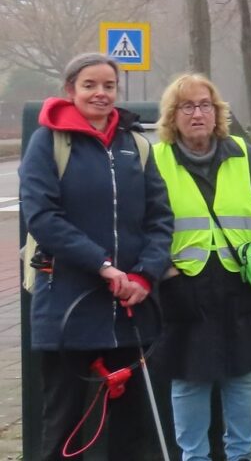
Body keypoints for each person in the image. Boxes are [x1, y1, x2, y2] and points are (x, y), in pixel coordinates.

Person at [19, 53, 173, 460]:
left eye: (108, 85)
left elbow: (160, 217)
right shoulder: (49, 142)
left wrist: (145, 275)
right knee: (64, 425)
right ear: (71, 90)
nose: (100, 94)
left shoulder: (136, 144)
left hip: (128, 308)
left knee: (130, 428)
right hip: (68, 306)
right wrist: (102, 265)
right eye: (90, 85)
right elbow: (42, 217)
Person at [151, 74, 251, 461]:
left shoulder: (244, 154)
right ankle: (194, 458)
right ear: (173, 116)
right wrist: (163, 270)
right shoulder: (156, 159)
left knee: (241, 376)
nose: (198, 114)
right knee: (188, 380)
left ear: (217, 113)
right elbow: (138, 223)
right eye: (187, 106)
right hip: (182, 285)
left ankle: (240, 456)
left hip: (239, 282)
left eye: (205, 105)